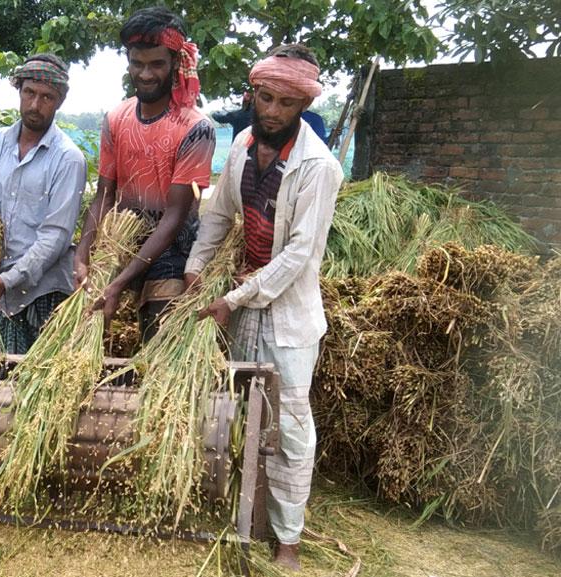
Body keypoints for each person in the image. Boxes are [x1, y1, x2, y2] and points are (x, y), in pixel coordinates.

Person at [186, 43, 344, 571]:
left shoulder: (318, 167)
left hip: (288, 317)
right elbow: (218, 215)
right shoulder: (242, 147)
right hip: (243, 305)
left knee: (290, 424)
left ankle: (289, 539)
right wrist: (194, 268)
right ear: (252, 93)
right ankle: (242, 514)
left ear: (302, 105)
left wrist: (232, 297)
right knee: (241, 412)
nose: (272, 110)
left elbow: (301, 255)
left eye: (285, 102)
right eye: (264, 96)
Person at [76, 6, 215, 340]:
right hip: (118, 243)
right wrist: (81, 255)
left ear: (175, 64)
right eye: (137, 64)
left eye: (156, 64)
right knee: (82, 333)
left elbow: (175, 217)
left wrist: (120, 282)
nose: (146, 74)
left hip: (170, 252)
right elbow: (104, 196)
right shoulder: (116, 119)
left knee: (159, 340)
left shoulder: (196, 129)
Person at [0, 54, 86, 354]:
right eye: (29, 93)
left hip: (42, 295)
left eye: (46, 97)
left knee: (36, 386)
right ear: (19, 91)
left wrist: (9, 278)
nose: (35, 105)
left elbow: (56, 237)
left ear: (59, 101)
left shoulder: (67, 158)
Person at [214, 92, 328, 144]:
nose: (272, 112)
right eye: (266, 98)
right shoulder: (241, 141)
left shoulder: (239, 114)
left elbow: (218, 116)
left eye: (286, 102)